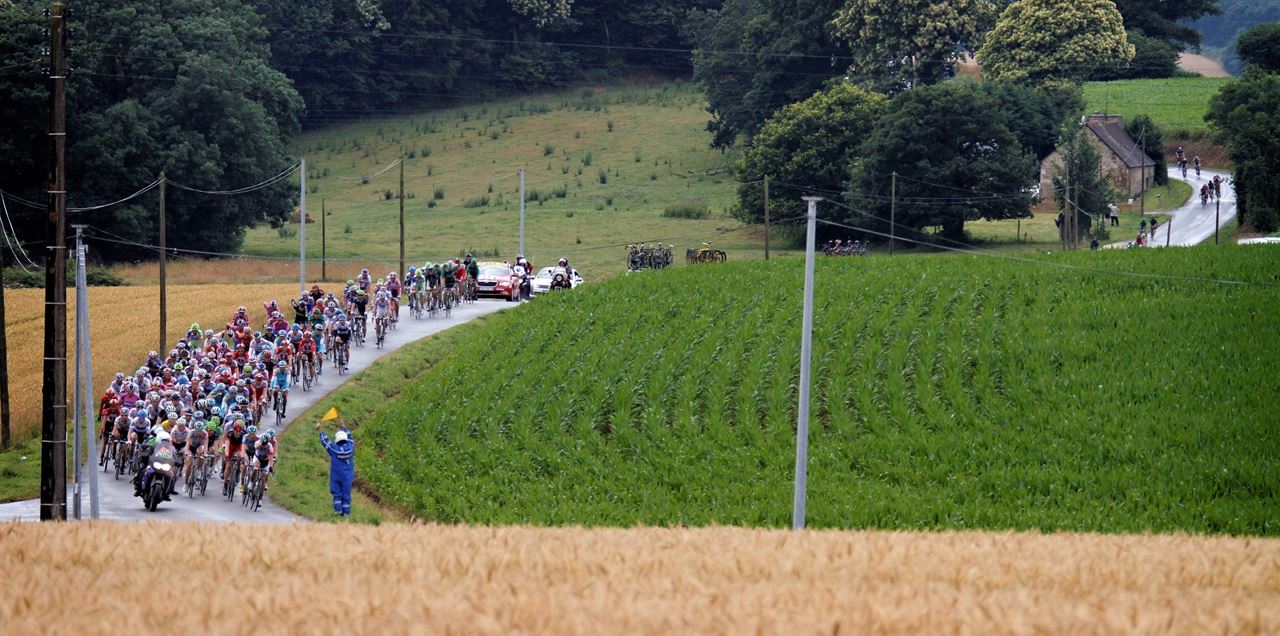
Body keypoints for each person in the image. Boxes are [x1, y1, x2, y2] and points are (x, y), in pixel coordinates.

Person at [316, 424, 355, 517]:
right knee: (346, 495)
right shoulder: (351, 447)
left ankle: (338, 513)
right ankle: (346, 515)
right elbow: (350, 437)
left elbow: (325, 441)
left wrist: (320, 430)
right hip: (348, 477)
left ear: (337, 440)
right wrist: (344, 427)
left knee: (337, 494)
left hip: (336, 476)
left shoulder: (334, 449)